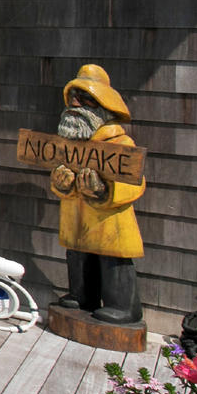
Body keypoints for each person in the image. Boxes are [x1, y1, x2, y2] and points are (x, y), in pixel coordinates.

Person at [49, 64, 146, 324]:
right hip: (77, 217)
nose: (75, 103)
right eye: (72, 97)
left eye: (85, 98)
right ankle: (82, 296)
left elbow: (135, 182)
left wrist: (103, 191)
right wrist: (62, 184)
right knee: (78, 255)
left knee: (112, 260)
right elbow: (59, 175)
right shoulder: (69, 146)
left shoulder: (120, 144)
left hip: (108, 220)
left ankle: (123, 306)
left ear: (103, 106)